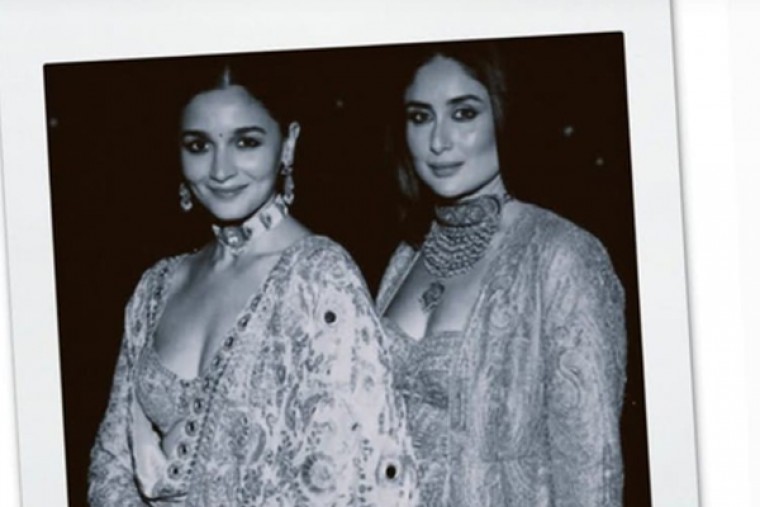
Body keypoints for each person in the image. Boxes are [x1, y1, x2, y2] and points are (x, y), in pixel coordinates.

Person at [88, 58, 417, 506]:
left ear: (288, 144)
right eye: (199, 145)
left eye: (246, 142)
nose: (221, 170)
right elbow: (110, 465)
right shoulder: (156, 288)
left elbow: (359, 482)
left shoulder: (317, 279)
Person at [376, 42, 627, 506]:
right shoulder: (404, 257)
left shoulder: (560, 255)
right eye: (420, 117)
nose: (438, 141)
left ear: (505, 116)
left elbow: (591, 470)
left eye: (464, 114)